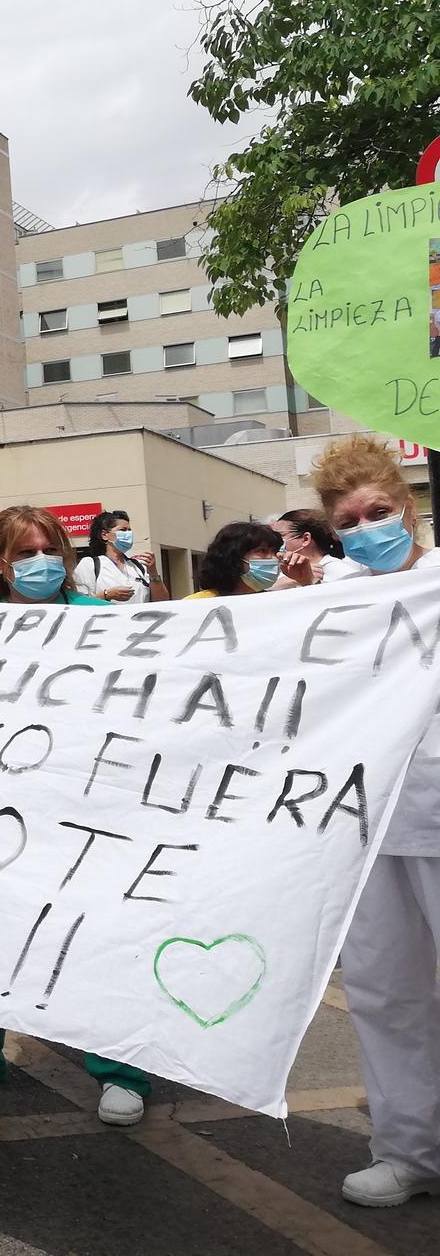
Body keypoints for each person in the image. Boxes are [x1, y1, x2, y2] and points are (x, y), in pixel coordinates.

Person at [0, 506, 151, 1127]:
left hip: (87, 807)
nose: (40, 563)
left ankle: (122, 1070)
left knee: (91, 933)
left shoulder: (101, 622)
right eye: (25, 553)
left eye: (49, 550)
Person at [308, 435, 440, 1207]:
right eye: (350, 520)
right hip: (366, 826)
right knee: (387, 994)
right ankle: (410, 1149)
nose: (367, 529)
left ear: (410, 507)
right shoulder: (331, 599)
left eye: (379, 511)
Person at [72, 510, 169, 602]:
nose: (128, 534)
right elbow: (79, 603)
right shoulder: (90, 565)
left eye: (129, 530)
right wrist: (107, 595)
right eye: (123, 530)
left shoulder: (137, 566)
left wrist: (153, 572)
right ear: (104, 535)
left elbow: (162, 601)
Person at [185, 521, 283, 598]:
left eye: (275, 552)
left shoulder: (276, 604)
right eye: (262, 551)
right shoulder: (196, 604)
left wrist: (298, 577)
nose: (274, 558)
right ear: (234, 557)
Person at [271, 508, 363, 587]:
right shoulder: (284, 571)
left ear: (306, 539)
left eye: (279, 536)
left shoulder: (342, 572)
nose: (273, 542)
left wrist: (310, 581)